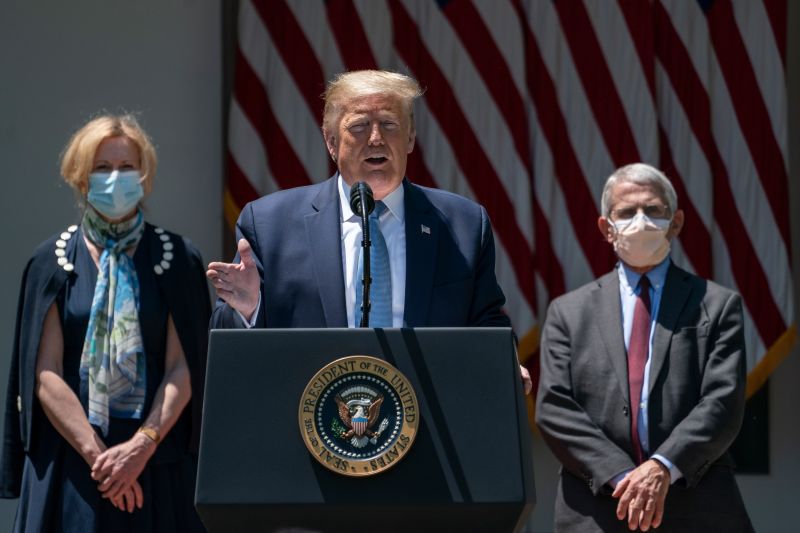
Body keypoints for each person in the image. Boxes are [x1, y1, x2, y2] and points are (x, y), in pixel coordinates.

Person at [207, 69, 531, 393]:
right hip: (309, 423)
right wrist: (251, 309)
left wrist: (503, 360)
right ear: (331, 142)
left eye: (389, 125)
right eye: (360, 126)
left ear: (410, 138)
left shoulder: (463, 225)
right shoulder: (270, 225)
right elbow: (226, 344)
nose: (375, 138)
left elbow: (487, 323)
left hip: (429, 420)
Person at [0, 114, 210, 532]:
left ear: (144, 175)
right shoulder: (51, 262)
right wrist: (102, 460)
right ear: (81, 177)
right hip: (75, 464)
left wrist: (139, 449)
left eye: (127, 167)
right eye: (102, 167)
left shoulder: (178, 258)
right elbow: (45, 373)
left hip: (156, 459)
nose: (116, 178)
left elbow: (183, 366)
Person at [535, 163, 753, 532]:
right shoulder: (568, 312)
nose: (641, 221)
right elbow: (554, 407)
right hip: (599, 508)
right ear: (606, 228)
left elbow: (722, 401)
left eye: (653, 210)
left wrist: (661, 468)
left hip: (696, 506)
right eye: (626, 212)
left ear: (676, 222)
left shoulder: (716, 304)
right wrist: (623, 477)